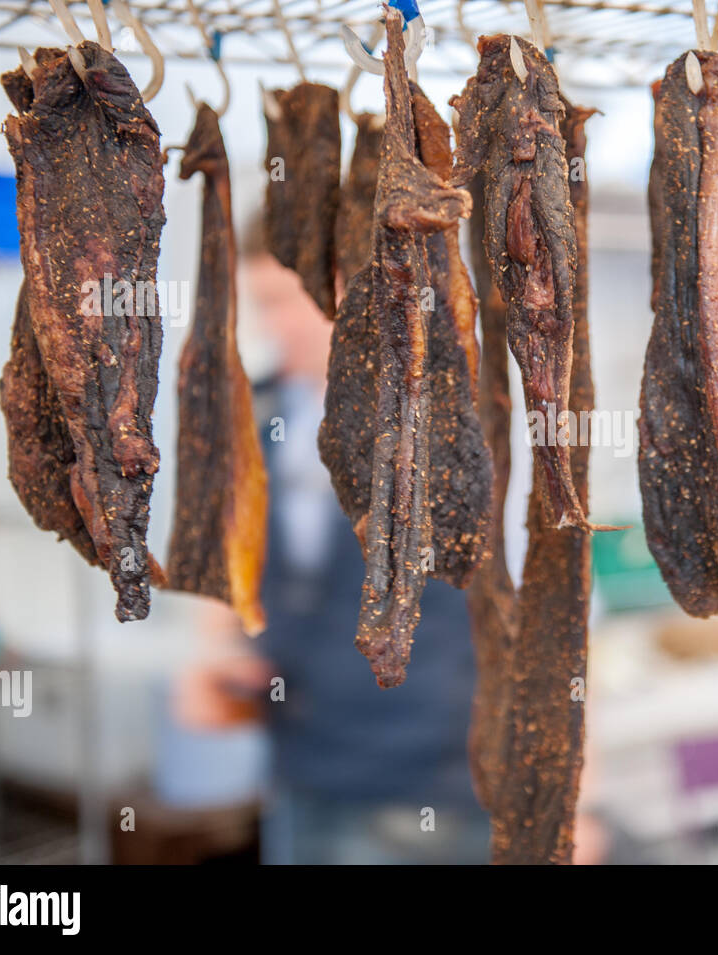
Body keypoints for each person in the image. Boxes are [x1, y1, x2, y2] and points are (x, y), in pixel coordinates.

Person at [174, 232, 489, 865]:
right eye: (266, 303)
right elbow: (227, 567)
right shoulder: (252, 414)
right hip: (299, 769)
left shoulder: (451, 415)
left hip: (432, 783)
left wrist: (573, 804)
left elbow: (549, 611)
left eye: (302, 301)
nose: (281, 324)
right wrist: (215, 655)